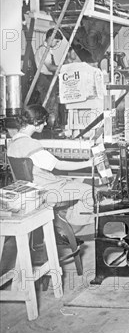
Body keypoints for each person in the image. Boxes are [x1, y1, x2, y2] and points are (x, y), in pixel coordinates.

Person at [7, 104, 96, 237]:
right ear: (36, 123)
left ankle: (63, 223)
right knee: (89, 191)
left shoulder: (12, 143)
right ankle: (71, 231)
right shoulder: (31, 144)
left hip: (30, 190)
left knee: (76, 181)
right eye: (43, 121)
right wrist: (88, 163)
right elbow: (59, 165)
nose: (45, 124)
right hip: (45, 192)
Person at [33, 29, 64, 127]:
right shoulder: (44, 50)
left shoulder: (45, 50)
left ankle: (49, 127)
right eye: (56, 41)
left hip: (46, 79)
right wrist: (64, 68)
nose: (57, 44)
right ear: (50, 38)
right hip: (45, 79)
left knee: (50, 104)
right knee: (50, 106)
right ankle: (50, 129)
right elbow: (50, 67)